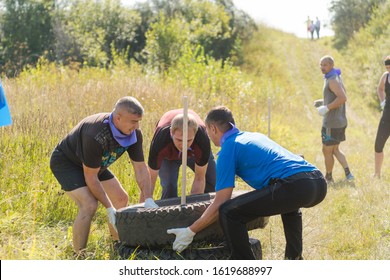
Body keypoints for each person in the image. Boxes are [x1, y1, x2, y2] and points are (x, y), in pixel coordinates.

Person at [167, 106, 327, 260]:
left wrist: (190, 231)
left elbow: (221, 200)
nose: (208, 135)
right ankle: (294, 259)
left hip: (295, 185)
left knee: (229, 212)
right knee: (290, 206)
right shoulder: (255, 136)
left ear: (213, 128)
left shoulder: (228, 148)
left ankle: (244, 265)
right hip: (318, 182)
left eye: (208, 131)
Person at [50, 96, 158, 255]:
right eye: (133, 121)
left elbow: (141, 168)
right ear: (118, 117)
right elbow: (91, 177)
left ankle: (118, 246)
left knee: (121, 199)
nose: (137, 126)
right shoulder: (95, 134)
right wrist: (109, 208)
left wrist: (148, 198)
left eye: (139, 121)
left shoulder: (134, 134)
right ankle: (79, 255)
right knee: (89, 204)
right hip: (67, 163)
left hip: (94, 165)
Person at [148, 109, 216, 199]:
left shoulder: (202, 139)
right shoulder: (161, 140)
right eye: (179, 140)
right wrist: (143, 207)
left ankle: (208, 211)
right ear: (171, 132)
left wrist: (195, 206)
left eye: (188, 140)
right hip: (169, 155)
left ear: (195, 134)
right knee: (169, 186)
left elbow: (200, 177)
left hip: (194, 152)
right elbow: (150, 182)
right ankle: (169, 211)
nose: (184, 145)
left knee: (212, 181)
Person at [316, 55, 354, 183]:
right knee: (335, 149)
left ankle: (328, 178)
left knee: (326, 150)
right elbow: (337, 95)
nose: (322, 67)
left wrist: (327, 107)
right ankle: (348, 174)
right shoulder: (336, 76)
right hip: (340, 121)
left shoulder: (332, 79)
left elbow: (343, 98)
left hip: (331, 123)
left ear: (331, 65)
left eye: (325, 65)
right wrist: (323, 102)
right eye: (321, 65)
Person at [374, 55, 390, 178]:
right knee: (378, 145)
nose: (388, 69)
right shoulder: (386, 76)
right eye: (387, 67)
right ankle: (377, 173)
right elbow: (380, 89)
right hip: (387, 116)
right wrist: (382, 101)